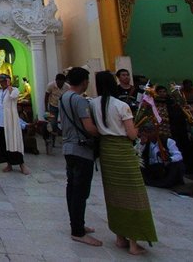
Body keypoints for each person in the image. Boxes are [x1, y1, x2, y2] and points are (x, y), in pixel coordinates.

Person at [90, 71, 157, 255]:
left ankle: (120, 236)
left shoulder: (93, 104)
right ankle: (134, 243)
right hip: (122, 151)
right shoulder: (121, 105)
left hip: (106, 151)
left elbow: (93, 128)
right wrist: (139, 123)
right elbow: (132, 134)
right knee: (133, 195)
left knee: (113, 194)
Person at [59, 67, 101, 247]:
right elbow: (89, 128)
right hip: (81, 148)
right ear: (84, 82)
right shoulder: (80, 101)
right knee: (80, 190)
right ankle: (78, 230)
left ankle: (77, 223)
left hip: (68, 147)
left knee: (72, 188)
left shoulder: (64, 97)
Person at [0, 73, 30, 175]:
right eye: (0, 81)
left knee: (13, 142)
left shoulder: (14, 90)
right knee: (2, 144)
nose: (2, 83)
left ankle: (21, 164)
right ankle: (9, 164)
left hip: (9, 122)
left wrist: (9, 85)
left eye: (3, 81)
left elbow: (13, 96)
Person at [139, 122, 185, 188]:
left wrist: (169, 159)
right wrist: (142, 144)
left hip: (165, 169)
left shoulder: (168, 141)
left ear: (155, 132)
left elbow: (179, 156)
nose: (147, 135)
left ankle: (167, 182)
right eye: (146, 133)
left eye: (149, 132)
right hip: (152, 169)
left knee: (178, 165)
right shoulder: (144, 142)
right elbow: (136, 154)